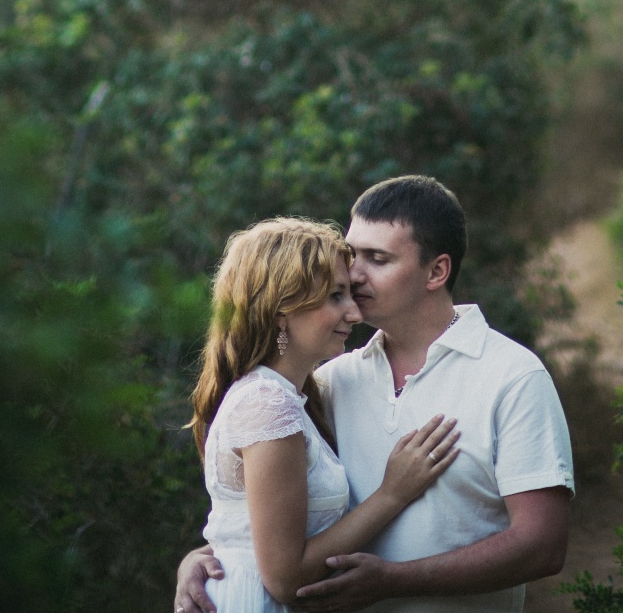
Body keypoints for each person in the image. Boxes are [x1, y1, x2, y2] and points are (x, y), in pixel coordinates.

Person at [178, 177, 573, 613]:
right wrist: (207, 559)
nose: (354, 274)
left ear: (436, 272)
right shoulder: (329, 381)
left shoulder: (512, 377)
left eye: (378, 258)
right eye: (352, 256)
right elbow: (273, 520)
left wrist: (394, 581)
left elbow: (543, 546)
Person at [190, 214, 464, 611]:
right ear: (281, 310)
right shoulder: (269, 404)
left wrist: (197, 557)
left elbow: (247, 532)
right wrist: (392, 494)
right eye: (335, 297)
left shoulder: (290, 395)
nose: (354, 313)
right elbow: (286, 580)